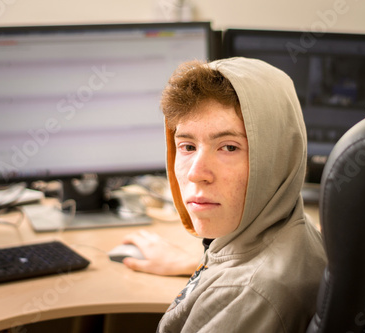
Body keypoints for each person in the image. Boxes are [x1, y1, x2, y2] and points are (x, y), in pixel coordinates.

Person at [124, 57, 327, 332]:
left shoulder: (247, 292)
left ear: (278, 157)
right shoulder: (291, 231)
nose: (197, 173)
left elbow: (248, 284)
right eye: (187, 146)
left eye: (228, 148)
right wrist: (197, 265)